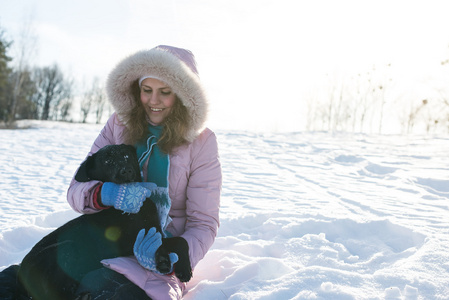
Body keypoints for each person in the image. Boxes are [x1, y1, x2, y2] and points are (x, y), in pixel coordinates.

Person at [67, 45, 222, 299]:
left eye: (165, 92)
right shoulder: (119, 124)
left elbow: (203, 223)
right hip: (105, 243)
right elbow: (76, 190)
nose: (153, 101)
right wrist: (106, 193)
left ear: (183, 95)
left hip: (157, 265)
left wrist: (172, 254)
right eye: (147, 90)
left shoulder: (202, 143)